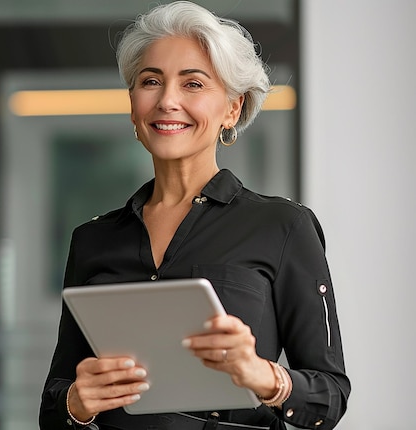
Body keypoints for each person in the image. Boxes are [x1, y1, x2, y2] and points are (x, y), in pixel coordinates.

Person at [39, 2, 350, 429]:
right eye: (151, 81)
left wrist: (263, 377)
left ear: (232, 109)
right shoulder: (92, 239)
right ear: (133, 107)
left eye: (193, 84)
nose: (167, 100)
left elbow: (330, 397)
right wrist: (76, 402)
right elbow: (54, 404)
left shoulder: (283, 227)